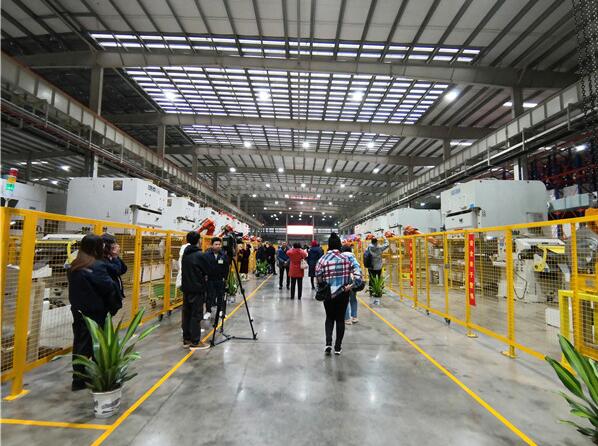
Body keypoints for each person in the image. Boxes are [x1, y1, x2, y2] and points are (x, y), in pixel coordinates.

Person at [68, 234, 121, 391]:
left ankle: (78, 379)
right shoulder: (97, 266)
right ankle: (101, 376)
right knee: (100, 344)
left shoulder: (75, 265)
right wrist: (113, 305)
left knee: (81, 344)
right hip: (96, 313)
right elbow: (108, 287)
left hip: (79, 311)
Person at [316, 233, 362, 356]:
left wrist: (323, 284)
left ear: (329, 245)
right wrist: (352, 286)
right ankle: (337, 347)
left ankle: (328, 344)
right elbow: (358, 275)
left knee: (329, 318)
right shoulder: (347, 258)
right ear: (339, 245)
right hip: (343, 293)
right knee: (340, 319)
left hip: (328, 293)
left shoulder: (322, 259)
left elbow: (318, 276)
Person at [180, 231, 210, 350]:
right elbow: (207, 270)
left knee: (186, 314)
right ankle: (195, 341)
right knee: (196, 315)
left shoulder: (185, 254)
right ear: (199, 240)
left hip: (186, 288)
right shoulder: (200, 255)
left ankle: (186, 339)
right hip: (197, 289)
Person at [203, 237, 229, 318]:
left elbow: (226, 267)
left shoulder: (223, 255)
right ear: (212, 245)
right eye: (216, 244)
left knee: (220, 295)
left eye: (219, 244)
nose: (218, 246)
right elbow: (203, 266)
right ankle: (208, 311)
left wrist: (225, 278)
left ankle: (221, 310)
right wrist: (205, 276)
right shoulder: (207, 254)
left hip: (220, 279)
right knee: (209, 296)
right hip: (210, 279)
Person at [101, 233, 127, 300]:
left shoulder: (110, 257)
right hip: (108, 297)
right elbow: (116, 271)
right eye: (113, 244)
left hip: (115, 295)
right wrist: (115, 256)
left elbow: (124, 269)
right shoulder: (102, 260)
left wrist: (116, 256)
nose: (116, 246)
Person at [342, 245, 359, 325]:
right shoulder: (353, 257)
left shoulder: (341, 257)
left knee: (345, 299)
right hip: (353, 278)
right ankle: (354, 317)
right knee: (353, 298)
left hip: (345, 278)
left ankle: (347, 319)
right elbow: (357, 268)